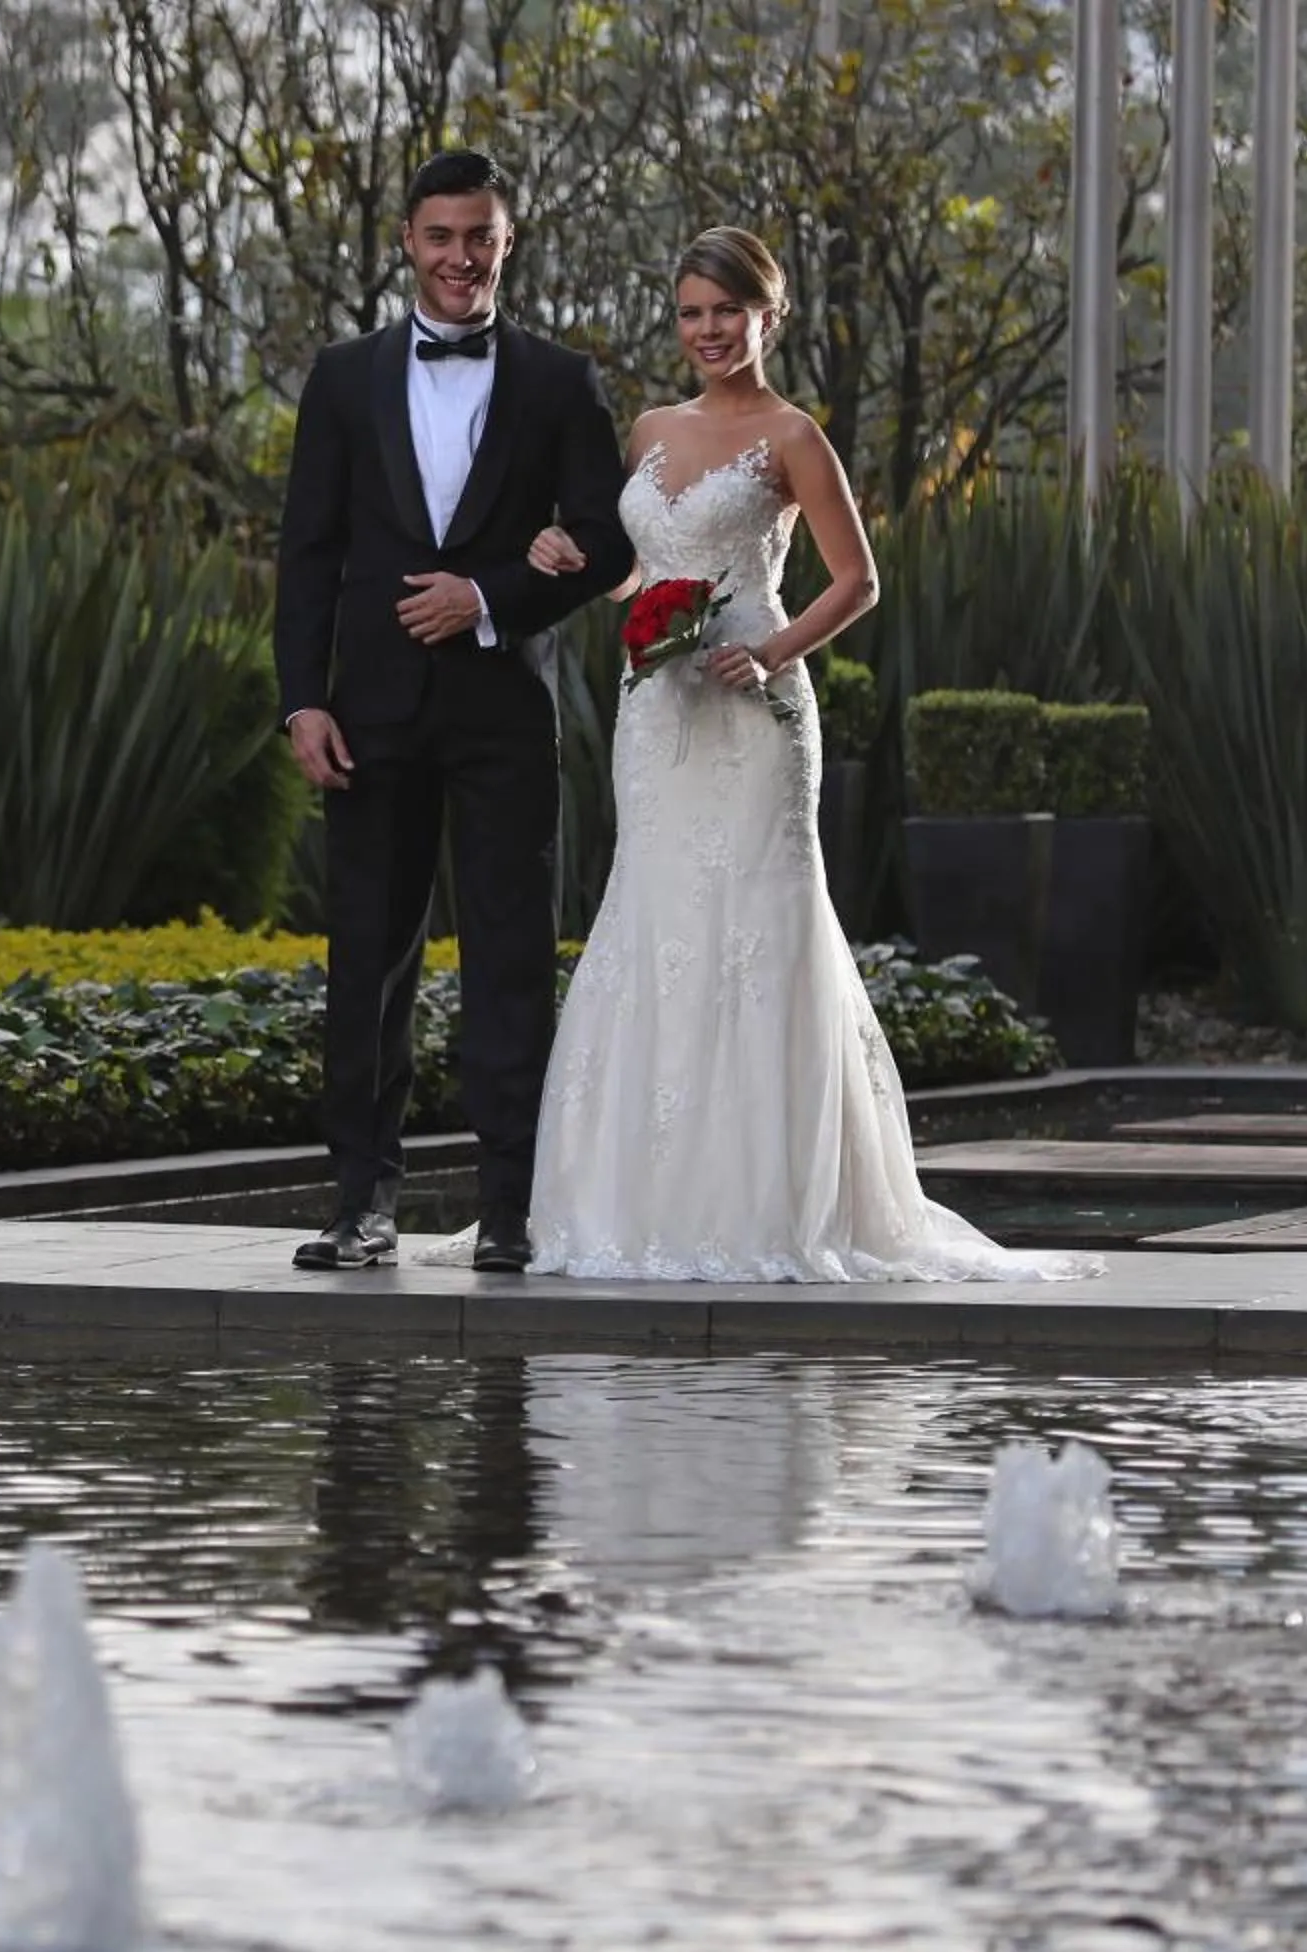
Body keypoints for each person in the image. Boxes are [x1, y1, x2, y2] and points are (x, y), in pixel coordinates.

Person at [504, 226, 1098, 1282]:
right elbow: (634, 576)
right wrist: (568, 556)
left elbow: (856, 581)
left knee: (757, 924)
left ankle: (775, 1206)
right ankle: (634, 1201)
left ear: (768, 315)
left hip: (753, 709)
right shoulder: (645, 429)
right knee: (657, 916)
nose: (707, 331)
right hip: (656, 711)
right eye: (690, 312)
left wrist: (769, 650)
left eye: (726, 311)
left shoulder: (792, 436)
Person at [275, 150, 636, 1276]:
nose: (460, 258)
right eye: (441, 237)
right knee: (367, 962)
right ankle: (359, 1205)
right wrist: (302, 702)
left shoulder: (560, 381)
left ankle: (513, 1209)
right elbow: (308, 554)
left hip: (500, 712)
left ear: (506, 243)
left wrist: (490, 595)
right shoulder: (341, 379)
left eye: (479, 236)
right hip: (369, 715)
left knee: (511, 958)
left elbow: (610, 544)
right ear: (408, 241)